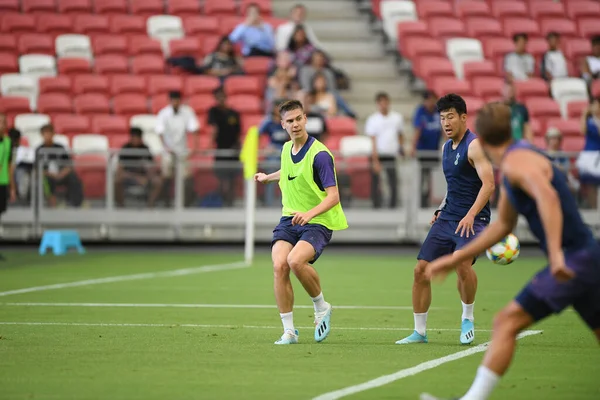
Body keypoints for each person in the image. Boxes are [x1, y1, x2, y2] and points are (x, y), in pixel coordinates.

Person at [420, 102, 600, 400]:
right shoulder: (518, 158)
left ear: (484, 140)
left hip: (572, 260)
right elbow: (502, 225)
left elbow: (548, 197)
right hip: (586, 259)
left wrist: (555, 254)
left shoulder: (518, 163)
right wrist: (455, 259)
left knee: (506, 322)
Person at [395, 94, 495, 346]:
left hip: (474, 219)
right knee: (420, 270)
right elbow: (453, 187)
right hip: (448, 217)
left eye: (450, 116)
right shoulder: (444, 148)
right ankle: (419, 332)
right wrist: (441, 209)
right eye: (442, 118)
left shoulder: (474, 146)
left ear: (463, 117)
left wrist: (471, 214)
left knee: (462, 264)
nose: (446, 122)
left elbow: (489, 184)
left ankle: (468, 318)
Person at [254, 100, 348, 345]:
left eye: (298, 119)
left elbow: (334, 196)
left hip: (318, 220)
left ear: (305, 119)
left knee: (295, 261)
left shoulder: (321, 155)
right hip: (289, 218)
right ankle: (289, 331)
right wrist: (267, 178)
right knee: (279, 266)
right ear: (282, 124)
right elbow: (287, 172)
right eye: (289, 121)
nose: (295, 124)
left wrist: (309, 214)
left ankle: (321, 307)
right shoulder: (286, 149)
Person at [365, 92, 404, 209]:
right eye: (381, 102)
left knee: (393, 180)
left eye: (385, 102)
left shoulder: (397, 118)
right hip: (378, 153)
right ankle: (376, 204)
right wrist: (375, 159)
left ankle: (393, 204)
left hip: (391, 153)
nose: (384, 105)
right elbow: (373, 140)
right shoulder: (373, 120)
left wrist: (400, 148)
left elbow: (400, 134)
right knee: (376, 181)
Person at [208, 87, 242, 207]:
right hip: (220, 151)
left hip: (233, 152)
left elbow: (238, 134)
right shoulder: (213, 112)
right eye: (218, 96)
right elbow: (213, 129)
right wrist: (209, 145)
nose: (221, 99)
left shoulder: (234, 114)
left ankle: (230, 203)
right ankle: (222, 202)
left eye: (222, 96)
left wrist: (239, 148)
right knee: (222, 179)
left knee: (232, 179)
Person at [35, 124, 83, 208]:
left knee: (73, 177)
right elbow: (37, 169)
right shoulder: (39, 150)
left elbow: (69, 165)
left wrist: (61, 174)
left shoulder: (60, 148)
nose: (47, 136)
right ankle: (50, 203)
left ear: (53, 134)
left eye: (49, 133)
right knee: (44, 180)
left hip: (61, 175)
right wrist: (49, 174)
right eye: (45, 133)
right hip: (47, 176)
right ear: (42, 135)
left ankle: (75, 203)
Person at [115, 127, 163, 208]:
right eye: (133, 137)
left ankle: (150, 205)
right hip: (128, 176)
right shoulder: (125, 149)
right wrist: (136, 177)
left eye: (136, 137)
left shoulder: (145, 149)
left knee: (158, 182)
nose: (134, 139)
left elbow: (151, 167)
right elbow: (120, 169)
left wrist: (147, 176)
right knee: (117, 181)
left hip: (144, 177)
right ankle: (121, 206)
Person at [0, 113, 16, 231]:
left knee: (1, 207)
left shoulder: (8, 142)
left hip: (3, 179)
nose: (1, 125)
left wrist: (12, 187)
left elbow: (10, 164)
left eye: (4, 122)